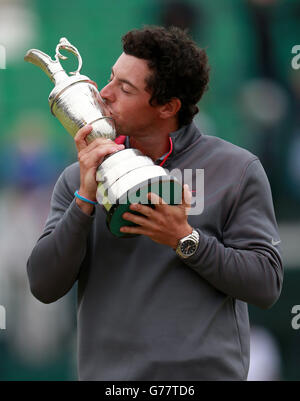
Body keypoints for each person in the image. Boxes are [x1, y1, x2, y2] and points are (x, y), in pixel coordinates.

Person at [27, 26, 283, 381]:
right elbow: (43, 285)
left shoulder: (236, 170)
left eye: (125, 88)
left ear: (168, 106)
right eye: (112, 78)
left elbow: (265, 284)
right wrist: (84, 200)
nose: (105, 93)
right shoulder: (78, 176)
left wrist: (185, 240)